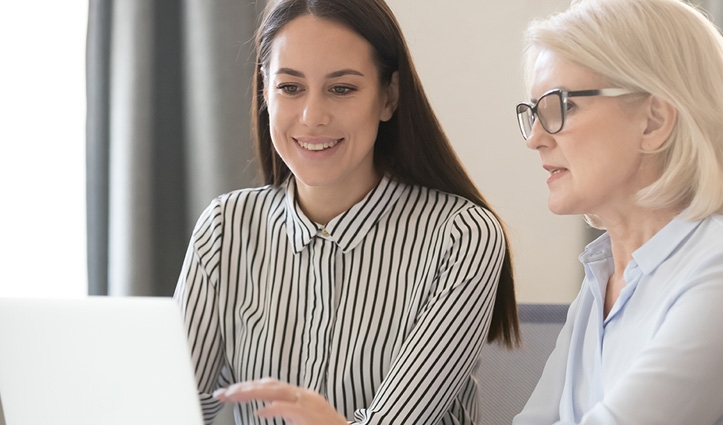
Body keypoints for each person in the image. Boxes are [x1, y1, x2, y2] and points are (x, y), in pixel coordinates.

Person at [174, 0, 520, 424]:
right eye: (290, 87)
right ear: (264, 91)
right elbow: (170, 407)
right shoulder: (225, 229)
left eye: (342, 88)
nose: (312, 116)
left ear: (389, 97)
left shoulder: (460, 236)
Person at [511, 0, 723, 424]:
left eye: (561, 106)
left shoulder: (714, 270)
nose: (534, 138)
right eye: (534, 113)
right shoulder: (601, 279)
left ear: (653, 121)